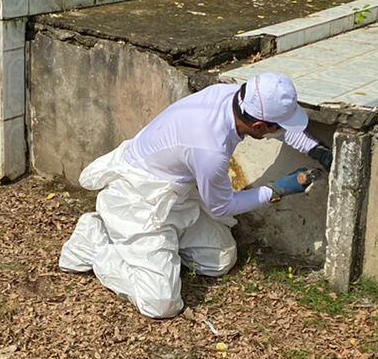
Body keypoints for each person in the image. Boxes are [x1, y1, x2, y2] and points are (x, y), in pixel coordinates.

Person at [59, 73, 329, 318]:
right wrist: (276, 190)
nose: (277, 131)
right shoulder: (210, 150)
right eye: (273, 128)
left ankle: (156, 248)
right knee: (161, 303)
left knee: (221, 259)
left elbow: (280, 129)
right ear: (258, 127)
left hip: (172, 193)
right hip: (137, 201)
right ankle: (96, 239)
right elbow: (222, 206)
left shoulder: (231, 95)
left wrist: (317, 150)